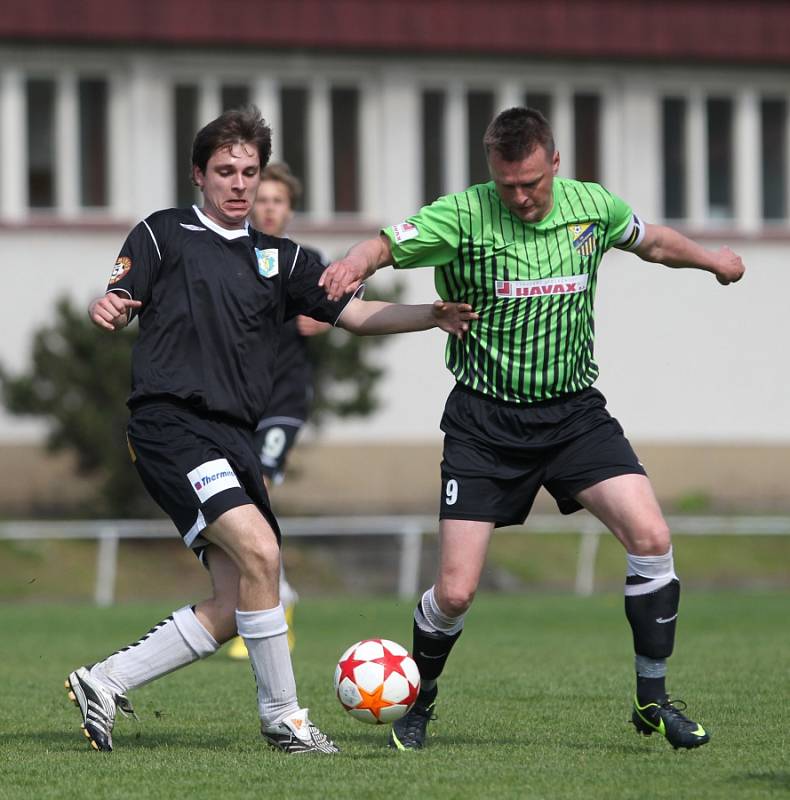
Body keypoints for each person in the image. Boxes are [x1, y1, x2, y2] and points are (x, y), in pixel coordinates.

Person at [319, 106, 745, 752]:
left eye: (530, 183)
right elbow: (383, 243)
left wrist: (712, 257)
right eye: (506, 184)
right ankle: (419, 700)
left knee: (652, 534)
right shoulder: (462, 216)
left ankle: (652, 699)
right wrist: (355, 264)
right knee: (456, 592)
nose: (518, 197)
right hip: (485, 425)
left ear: (555, 163)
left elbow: (652, 241)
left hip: (575, 415)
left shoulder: (590, 207)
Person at [65, 106, 477, 755]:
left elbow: (358, 314)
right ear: (199, 174)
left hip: (234, 438)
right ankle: (283, 718)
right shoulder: (162, 233)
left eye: (248, 172)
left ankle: (105, 680)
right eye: (224, 170)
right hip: (171, 423)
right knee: (261, 553)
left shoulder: (281, 259)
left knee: (239, 597)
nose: (237, 182)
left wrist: (432, 314)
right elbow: (114, 300)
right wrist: (107, 307)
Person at [227, 163, 328, 660]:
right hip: (236, 402)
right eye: (261, 199)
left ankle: (276, 603)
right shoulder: (232, 254)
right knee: (240, 502)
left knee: (257, 489)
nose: (268, 207)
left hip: (283, 401)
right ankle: (266, 600)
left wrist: (325, 320)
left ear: (290, 209)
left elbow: (347, 300)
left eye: (278, 201)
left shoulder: (304, 260)